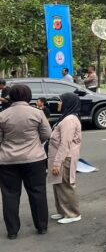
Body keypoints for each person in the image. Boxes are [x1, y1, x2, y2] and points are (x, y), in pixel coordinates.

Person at [0, 84, 52, 239]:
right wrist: (35, 143)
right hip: (34, 159)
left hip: (7, 161)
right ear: (28, 96)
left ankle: (12, 231)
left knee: (9, 195)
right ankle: (41, 226)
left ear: (11, 97)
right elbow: (47, 134)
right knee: (38, 191)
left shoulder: (3, 115)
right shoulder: (37, 113)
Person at [48, 93, 83, 224]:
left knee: (66, 185)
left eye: (61, 101)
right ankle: (63, 211)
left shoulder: (69, 120)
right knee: (59, 184)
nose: (58, 103)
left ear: (68, 103)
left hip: (65, 158)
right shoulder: (66, 117)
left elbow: (65, 143)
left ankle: (73, 213)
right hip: (61, 157)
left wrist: (57, 163)